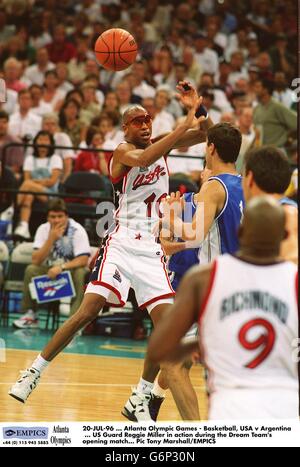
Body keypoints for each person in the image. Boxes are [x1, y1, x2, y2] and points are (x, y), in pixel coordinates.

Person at [9, 82, 212, 422]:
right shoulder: (122, 152)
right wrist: (182, 123)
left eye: (148, 119)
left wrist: (197, 109)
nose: (145, 124)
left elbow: (206, 134)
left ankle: (140, 395)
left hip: (150, 249)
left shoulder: (163, 145)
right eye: (137, 121)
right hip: (120, 243)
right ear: (125, 128)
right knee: (87, 311)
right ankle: (34, 371)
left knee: (167, 329)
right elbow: (145, 157)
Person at [147, 196, 298, 419]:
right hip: (283, 412)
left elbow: (158, 349)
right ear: (284, 236)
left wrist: (201, 343)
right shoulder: (294, 281)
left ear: (240, 233)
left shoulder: (205, 277)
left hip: (229, 410)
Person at [154, 122, 244, 420]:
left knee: (171, 360)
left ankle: (197, 435)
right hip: (237, 284)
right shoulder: (244, 185)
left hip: (213, 288)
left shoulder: (213, 187)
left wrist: (169, 217)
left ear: (211, 148)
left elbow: (194, 235)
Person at [13, 199, 90, 329]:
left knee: (81, 272)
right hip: (49, 270)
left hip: (68, 270)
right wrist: (51, 238)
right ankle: (30, 315)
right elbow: (36, 260)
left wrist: (61, 267)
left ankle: (74, 322)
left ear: (66, 216)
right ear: (47, 218)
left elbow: (83, 259)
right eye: (52, 217)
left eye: (60, 216)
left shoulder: (77, 230)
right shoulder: (43, 229)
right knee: (31, 269)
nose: (56, 220)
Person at [242, 145, 297, 264]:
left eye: (242, 176)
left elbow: (292, 260)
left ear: (250, 178)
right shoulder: (262, 212)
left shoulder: (287, 212)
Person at [13, 130, 63, 239]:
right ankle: (24, 227)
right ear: (36, 142)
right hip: (31, 192)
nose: (43, 142)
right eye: (40, 139)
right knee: (28, 196)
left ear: (51, 143)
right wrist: (39, 183)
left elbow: (52, 182)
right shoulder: (30, 159)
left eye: (46, 140)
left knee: (27, 185)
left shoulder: (56, 159)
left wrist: (33, 183)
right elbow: (27, 179)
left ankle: (12, 209)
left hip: (51, 195)